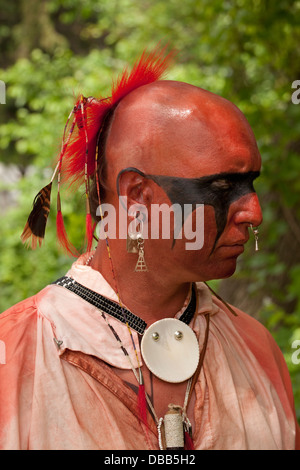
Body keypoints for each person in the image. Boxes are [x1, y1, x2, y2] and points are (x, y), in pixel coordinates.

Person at [0, 46, 299, 450]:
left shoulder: (256, 350)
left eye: (252, 185)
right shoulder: (15, 358)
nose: (254, 213)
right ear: (138, 196)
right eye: (223, 188)